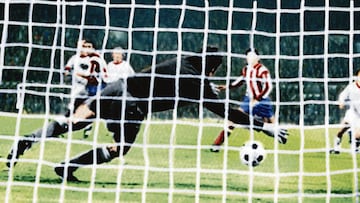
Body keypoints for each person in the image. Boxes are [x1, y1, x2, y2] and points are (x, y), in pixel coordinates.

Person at [7, 46, 288, 181]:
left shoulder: (185, 61)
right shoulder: (198, 83)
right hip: (133, 105)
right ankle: (67, 167)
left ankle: (27, 140)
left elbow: (184, 76)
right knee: (120, 148)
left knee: (72, 122)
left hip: (116, 88)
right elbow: (229, 111)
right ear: (213, 69)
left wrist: (207, 85)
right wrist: (266, 128)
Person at [6, 39, 109, 168]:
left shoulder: (95, 60)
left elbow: (95, 78)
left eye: (89, 46)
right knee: (68, 124)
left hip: (90, 96)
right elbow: (90, 78)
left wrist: (81, 76)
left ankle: (28, 141)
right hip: (87, 98)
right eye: (84, 46)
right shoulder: (83, 59)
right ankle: (29, 141)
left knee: (67, 125)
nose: (86, 49)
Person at [210, 48, 276, 152]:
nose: (250, 58)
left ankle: (281, 136)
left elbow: (268, 86)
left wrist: (258, 99)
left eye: (252, 56)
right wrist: (227, 86)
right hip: (248, 100)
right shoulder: (246, 69)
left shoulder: (262, 70)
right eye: (248, 56)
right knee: (233, 119)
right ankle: (217, 144)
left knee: (271, 126)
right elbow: (241, 81)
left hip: (262, 101)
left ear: (258, 58)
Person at [330, 70, 360, 154]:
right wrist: (341, 102)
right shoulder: (351, 87)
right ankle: (336, 146)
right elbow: (342, 95)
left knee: (358, 135)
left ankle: (355, 147)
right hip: (352, 113)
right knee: (341, 130)